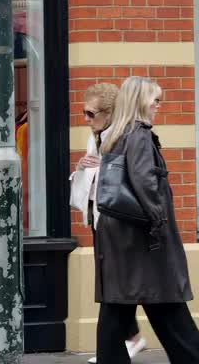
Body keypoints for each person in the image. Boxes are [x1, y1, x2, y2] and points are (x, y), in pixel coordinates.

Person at [95, 77, 199, 364]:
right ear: (140, 100)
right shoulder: (139, 135)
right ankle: (193, 358)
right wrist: (159, 222)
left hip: (123, 234)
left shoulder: (118, 133)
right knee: (162, 297)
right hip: (142, 236)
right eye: (155, 99)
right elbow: (145, 182)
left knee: (123, 302)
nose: (158, 106)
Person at [71, 83, 148, 363]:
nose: (86, 119)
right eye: (85, 112)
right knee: (113, 284)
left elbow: (130, 179)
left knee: (116, 286)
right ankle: (130, 341)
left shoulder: (123, 137)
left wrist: (99, 168)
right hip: (101, 220)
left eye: (91, 114)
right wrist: (82, 168)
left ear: (108, 113)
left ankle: (125, 344)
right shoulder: (97, 136)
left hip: (120, 221)